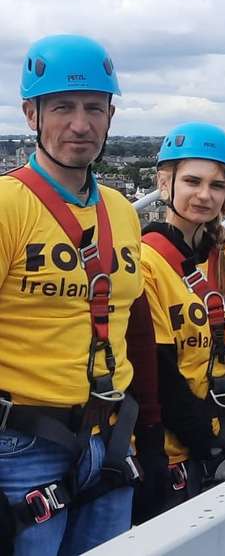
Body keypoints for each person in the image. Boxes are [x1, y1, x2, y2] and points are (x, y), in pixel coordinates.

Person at [0, 35, 160, 555]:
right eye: (63, 107)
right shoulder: (8, 205)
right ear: (31, 114)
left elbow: (131, 326)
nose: (80, 124)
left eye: (95, 108)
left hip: (108, 436)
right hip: (22, 444)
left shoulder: (120, 210)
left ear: (111, 115)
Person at [131, 123, 225, 520]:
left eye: (217, 185)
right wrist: (209, 448)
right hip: (176, 452)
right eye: (192, 181)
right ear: (165, 183)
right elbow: (157, 371)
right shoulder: (146, 264)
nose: (204, 195)